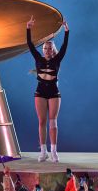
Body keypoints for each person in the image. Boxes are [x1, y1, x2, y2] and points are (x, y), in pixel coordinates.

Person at [27, 15, 69, 162]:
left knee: (53, 121)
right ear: (43, 49)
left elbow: (64, 47)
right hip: (40, 91)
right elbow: (30, 45)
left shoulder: (57, 59)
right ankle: (43, 151)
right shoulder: (38, 58)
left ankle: (54, 151)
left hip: (53, 92)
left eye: (49, 48)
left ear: (52, 50)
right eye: (45, 48)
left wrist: (66, 31)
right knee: (41, 121)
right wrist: (29, 28)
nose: (47, 50)